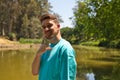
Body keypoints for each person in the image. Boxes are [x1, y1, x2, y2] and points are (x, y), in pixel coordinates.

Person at [32, 13, 77, 80]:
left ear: (58, 26)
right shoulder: (45, 48)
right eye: (43, 27)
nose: (46, 29)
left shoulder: (65, 49)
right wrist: (38, 54)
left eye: (49, 25)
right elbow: (34, 72)